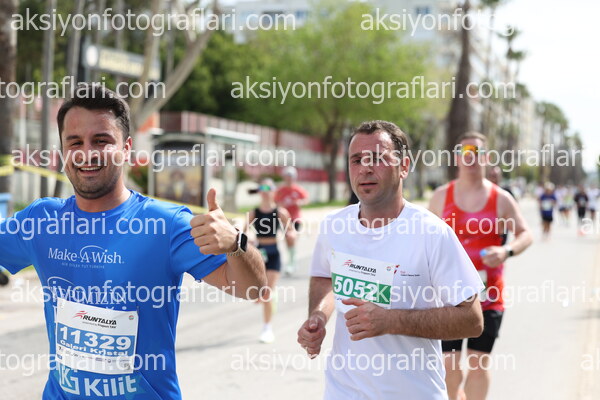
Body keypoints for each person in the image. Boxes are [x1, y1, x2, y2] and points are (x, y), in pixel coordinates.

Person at [0, 83, 267, 399]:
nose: (87, 153)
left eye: (101, 140)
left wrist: (236, 244)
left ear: (126, 148)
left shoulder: (165, 224)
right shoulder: (41, 220)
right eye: (75, 142)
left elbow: (253, 288)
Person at [298, 120, 485, 400]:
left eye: (377, 158)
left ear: (404, 166)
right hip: (343, 391)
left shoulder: (431, 233)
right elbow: (325, 276)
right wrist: (318, 316)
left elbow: (472, 320)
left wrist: (390, 321)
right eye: (357, 160)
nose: (365, 168)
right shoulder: (334, 226)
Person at [429, 131, 533, 400]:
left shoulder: (501, 198)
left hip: (489, 296)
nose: (471, 157)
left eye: (477, 152)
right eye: (465, 152)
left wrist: (506, 250)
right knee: (449, 366)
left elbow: (525, 234)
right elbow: (422, 240)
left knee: (477, 364)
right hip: (449, 297)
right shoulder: (441, 197)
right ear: (457, 158)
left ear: (486, 158)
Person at [246, 178, 296, 343]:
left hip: (274, 253)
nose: (265, 191)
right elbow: (243, 232)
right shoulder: (253, 213)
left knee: (267, 292)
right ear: (259, 192)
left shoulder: (281, 212)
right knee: (259, 292)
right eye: (262, 188)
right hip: (259, 254)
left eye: (269, 188)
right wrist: (249, 237)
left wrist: (290, 235)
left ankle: (267, 328)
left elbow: (291, 232)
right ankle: (264, 295)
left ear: (274, 191)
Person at [275, 166, 308, 275]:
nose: (289, 178)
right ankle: (291, 261)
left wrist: (298, 202)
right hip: (285, 220)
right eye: (287, 176)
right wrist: (281, 205)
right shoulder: (280, 190)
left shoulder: (298, 189)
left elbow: (305, 199)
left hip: (296, 219)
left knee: (292, 239)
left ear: (294, 177)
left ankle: (292, 262)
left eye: (291, 176)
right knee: (288, 239)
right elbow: (275, 202)